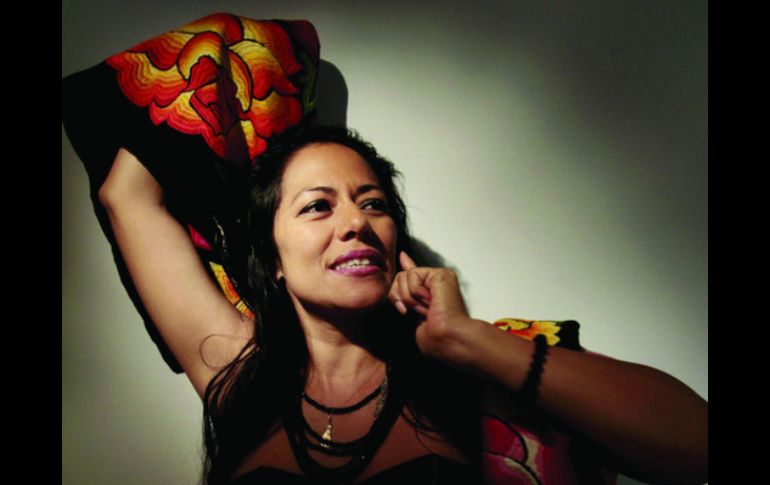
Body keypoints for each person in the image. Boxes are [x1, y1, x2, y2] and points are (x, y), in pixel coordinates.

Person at [96, 124, 708, 484]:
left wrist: (471, 341)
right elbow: (127, 194)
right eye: (318, 206)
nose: (356, 223)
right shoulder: (239, 373)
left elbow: (695, 444)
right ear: (274, 260)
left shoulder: (464, 372)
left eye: (374, 204)